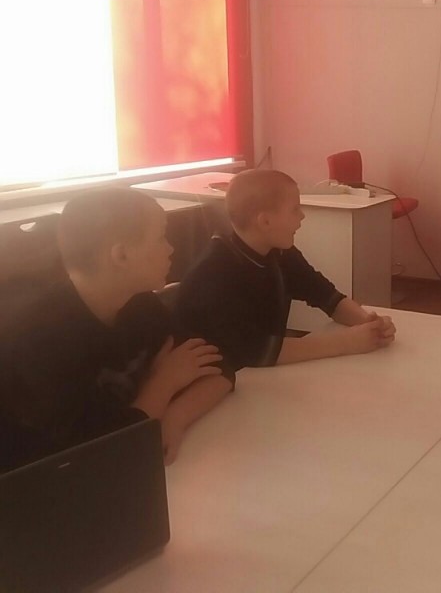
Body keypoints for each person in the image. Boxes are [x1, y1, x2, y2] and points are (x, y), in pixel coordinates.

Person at [0, 188, 228, 472]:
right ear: (121, 255)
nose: (170, 249)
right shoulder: (37, 343)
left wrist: (173, 419)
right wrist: (164, 383)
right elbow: (94, 451)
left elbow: (219, 370)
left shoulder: (140, 302)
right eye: (161, 237)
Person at [176, 169, 395, 372]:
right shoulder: (214, 273)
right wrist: (346, 342)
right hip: (217, 380)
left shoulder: (280, 253)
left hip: (257, 378)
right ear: (265, 221)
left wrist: (369, 323)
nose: (302, 216)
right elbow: (256, 351)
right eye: (295, 209)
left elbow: (327, 297)